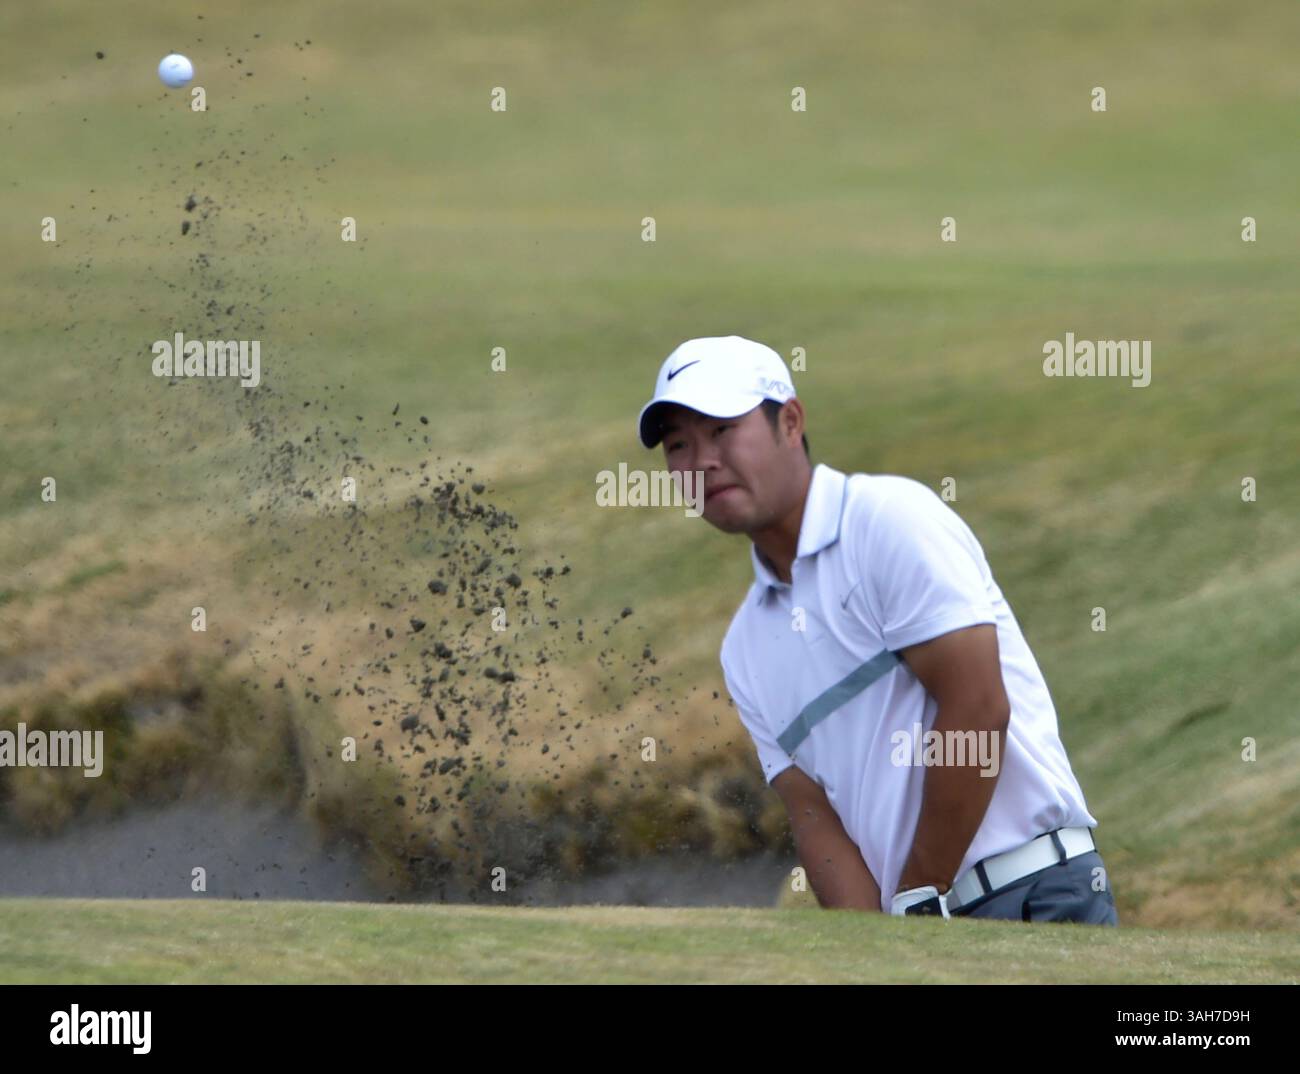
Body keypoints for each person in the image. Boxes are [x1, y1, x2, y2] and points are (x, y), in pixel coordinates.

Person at [636, 335, 1118, 924]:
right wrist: (870, 947)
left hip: (1033, 896)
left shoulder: (888, 522)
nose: (700, 462)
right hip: (922, 931)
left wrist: (920, 891)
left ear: (790, 422)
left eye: (721, 431)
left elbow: (978, 708)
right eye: (678, 445)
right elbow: (813, 815)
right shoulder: (745, 648)